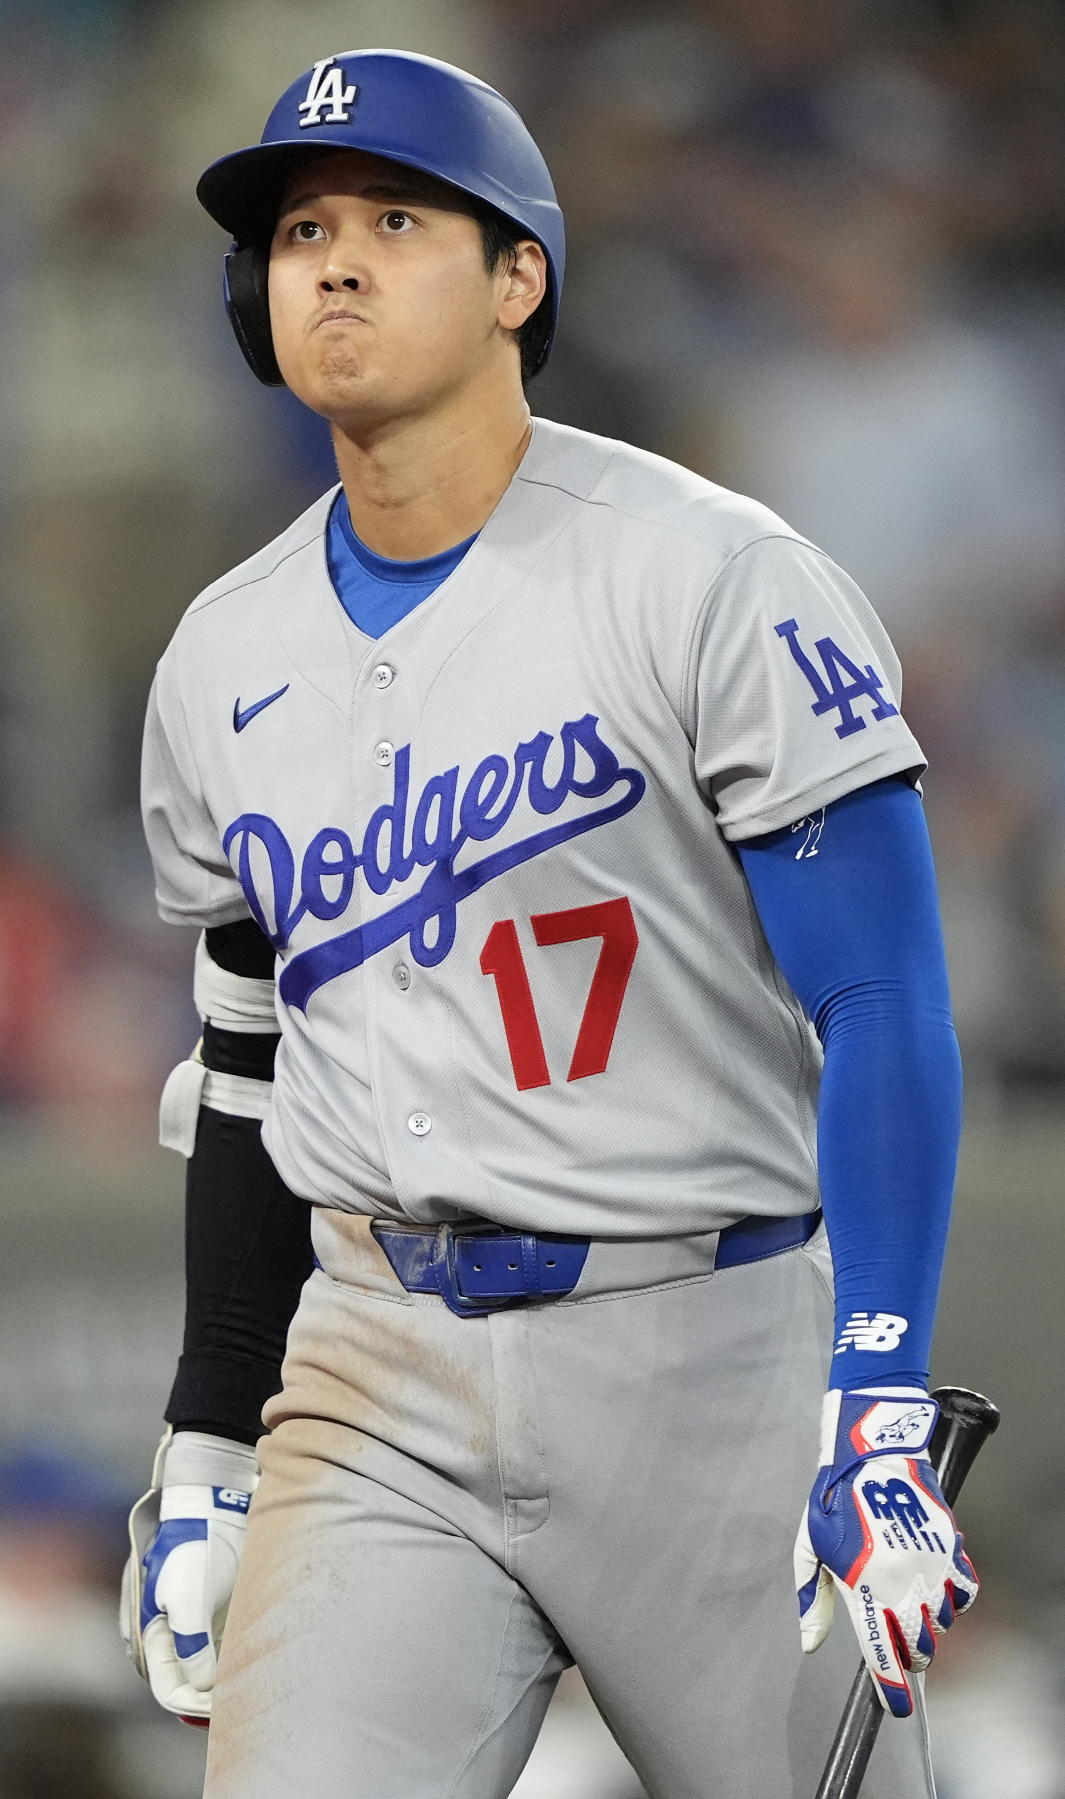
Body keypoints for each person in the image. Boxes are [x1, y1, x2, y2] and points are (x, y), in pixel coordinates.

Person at [121, 49, 975, 1799]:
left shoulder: (711, 575)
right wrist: (211, 1433)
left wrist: (878, 1386)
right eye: (298, 233)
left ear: (522, 279)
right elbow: (242, 1067)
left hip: (707, 1350)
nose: (334, 263)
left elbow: (885, 993)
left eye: (396, 219)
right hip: (378, 1375)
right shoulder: (222, 655)